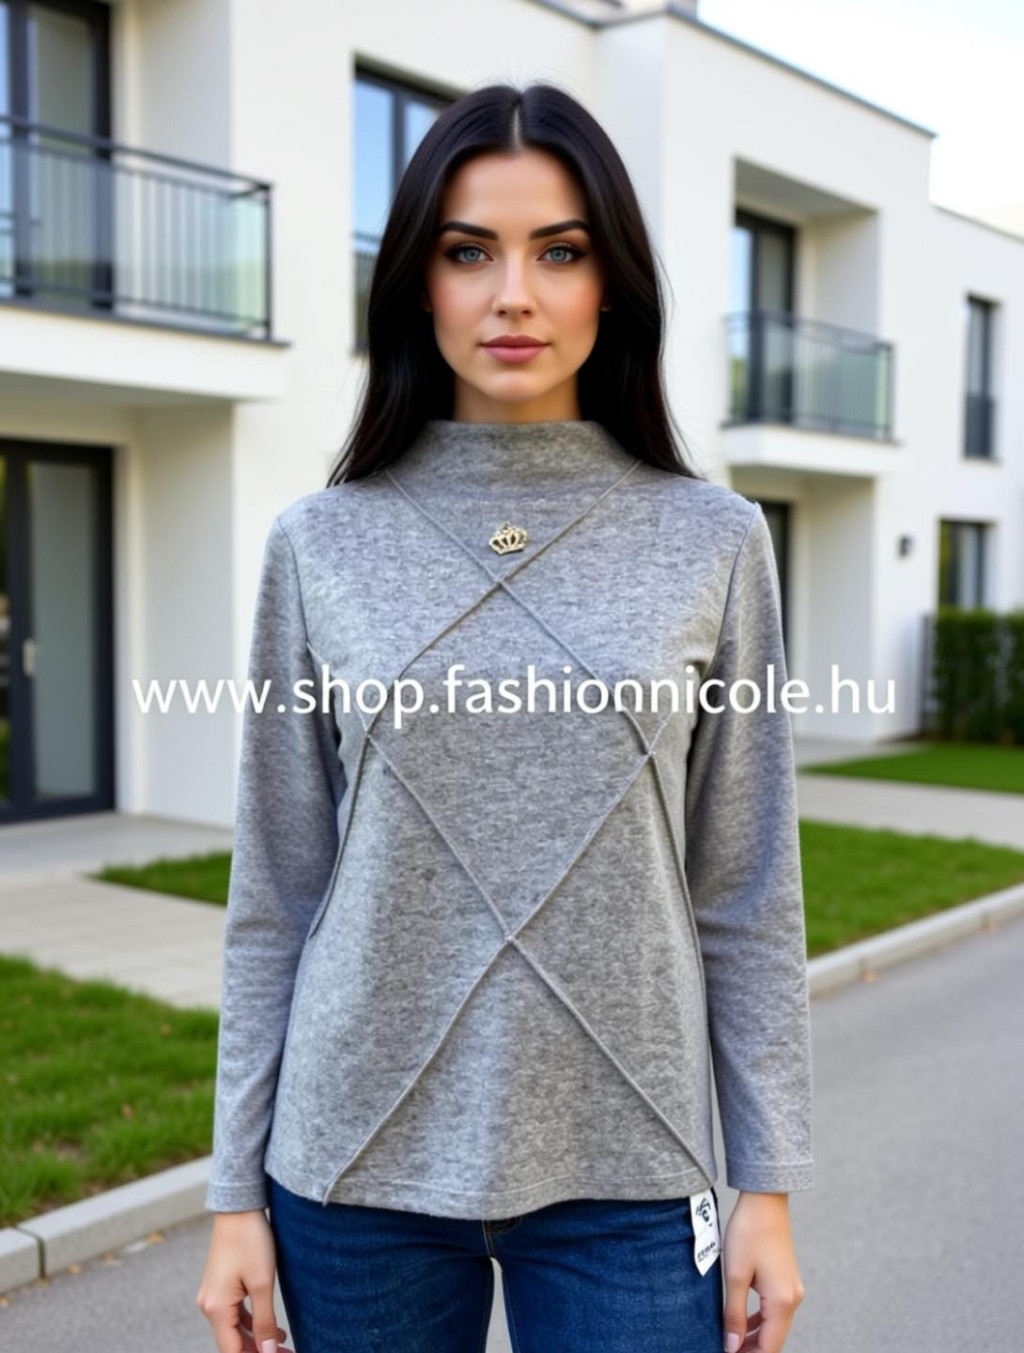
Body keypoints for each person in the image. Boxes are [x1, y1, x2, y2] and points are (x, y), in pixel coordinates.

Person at [197, 80, 813, 1353]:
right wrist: (230, 1197)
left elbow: (747, 891)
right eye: (469, 251)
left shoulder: (715, 541)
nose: (514, 295)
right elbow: (276, 895)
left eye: (560, 252)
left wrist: (766, 1183)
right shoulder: (318, 544)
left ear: (612, 285)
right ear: (416, 284)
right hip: (350, 1171)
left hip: (630, 1168)